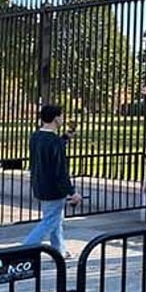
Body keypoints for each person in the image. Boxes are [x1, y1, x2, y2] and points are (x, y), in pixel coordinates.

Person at [24, 105, 82, 260]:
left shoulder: (36, 136)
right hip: (54, 189)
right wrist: (72, 192)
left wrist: (65, 139)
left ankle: (59, 250)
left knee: (55, 220)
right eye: (61, 116)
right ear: (56, 118)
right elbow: (60, 172)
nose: (62, 119)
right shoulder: (54, 142)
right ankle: (24, 250)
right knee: (49, 221)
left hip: (39, 185)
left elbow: (48, 152)